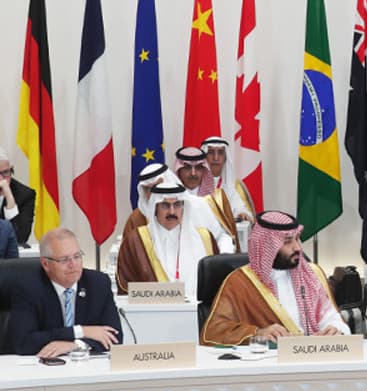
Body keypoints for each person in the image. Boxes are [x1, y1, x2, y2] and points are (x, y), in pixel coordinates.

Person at [201, 211, 348, 345]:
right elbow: (214, 332)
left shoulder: (311, 274)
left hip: (313, 357)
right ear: (267, 246)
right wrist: (257, 333)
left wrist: (335, 329)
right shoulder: (239, 282)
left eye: (297, 239)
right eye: (287, 241)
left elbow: (331, 317)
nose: (297, 247)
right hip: (267, 365)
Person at [5, 228, 121, 357]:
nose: (73, 265)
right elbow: (23, 342)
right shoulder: (28, 288)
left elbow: (115, 337)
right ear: (45, 264)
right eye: (64, 260)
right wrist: (80, 331)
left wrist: (75, 345)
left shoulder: (98, 283)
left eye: (77, 256)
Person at [116, 181, 234, 299]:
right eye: (165, 206)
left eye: (177, 205)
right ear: (155, 208)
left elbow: (216, 284)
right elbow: (127, 288)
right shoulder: (135, 241)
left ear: (184, 207)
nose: (172, 212)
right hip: (152, 313)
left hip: (196, 314)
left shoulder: (205, 238)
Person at [174, 146, 239, 246]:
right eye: (187, 168)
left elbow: (224, 234)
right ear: (179, 170)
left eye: (198, 168)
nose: (193, 173)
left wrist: (225, 251)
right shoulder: (170, 201)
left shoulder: (217, 198)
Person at [200, 136, 256, 220]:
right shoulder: (195, 181)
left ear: (226, 157)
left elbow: (239, 207)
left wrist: (241, 213)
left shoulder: (232, 184)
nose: (216, 158)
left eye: (220, 153)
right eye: (211, 152)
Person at [0, 147, 36, 246]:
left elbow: (21, 237)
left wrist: (10, 203)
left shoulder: (25, 195)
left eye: (6, 172)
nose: (2, 179)